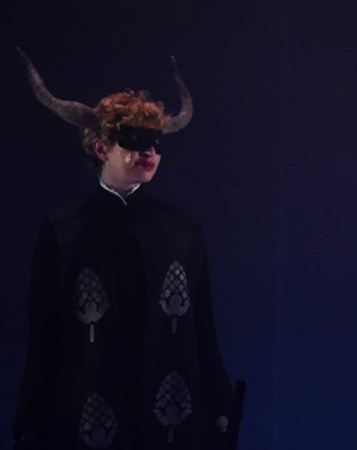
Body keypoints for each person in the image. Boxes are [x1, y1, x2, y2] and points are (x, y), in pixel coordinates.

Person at [14, 50, 233, 450]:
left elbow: (203, 324)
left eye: (155, 142)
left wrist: (220, 404)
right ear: (101, 149)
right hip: (88, 407)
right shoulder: (63, 229)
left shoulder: (183, 228)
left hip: (168, 416)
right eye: (134, 140)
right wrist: (30, 421)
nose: (149, 153)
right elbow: (45, 333)